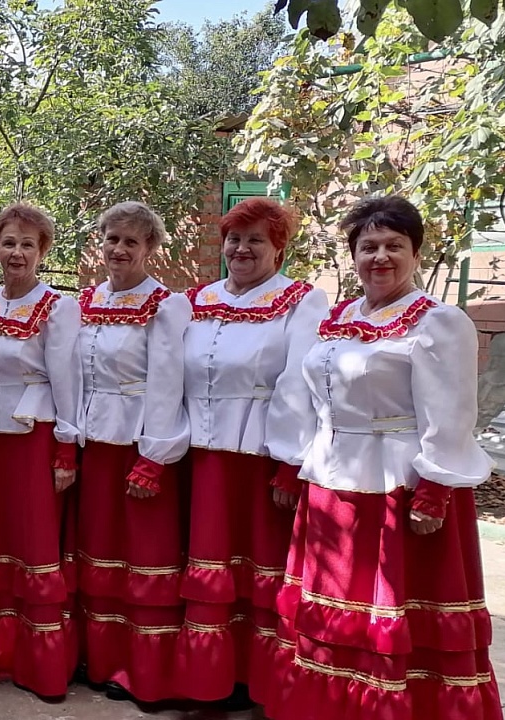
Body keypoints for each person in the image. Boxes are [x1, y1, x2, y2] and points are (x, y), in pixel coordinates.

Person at [265, 196, 501, 720]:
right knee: (333, 612)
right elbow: (311, 398)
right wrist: (293, 460)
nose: (380, 257)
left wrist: (435, 488)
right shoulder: (341, 317)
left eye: (394, 245)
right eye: (368, 246)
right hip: (331, 485)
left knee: (391, 612)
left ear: (416, 253)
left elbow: (452, 408)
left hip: (399, 488)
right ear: (353, 256)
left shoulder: (438, 322)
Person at [173, 198, 328, 709]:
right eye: (234, 239)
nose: (241, 249)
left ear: (278, 248)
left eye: (255, 240)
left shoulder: (301, 301)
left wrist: (288, 462)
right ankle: (208, 679)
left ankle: (258, 682)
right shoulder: (197, 299)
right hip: (200, 456)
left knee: (259, 569)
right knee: (206, 567)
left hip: (262, 456)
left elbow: (299, 382)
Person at [71, 200, 191, 704]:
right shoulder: (86, 301)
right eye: (112, 239)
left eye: (131, 242)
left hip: (140, 447)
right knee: (98, 550)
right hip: (95, 445)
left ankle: (143, 672)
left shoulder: (165, 305)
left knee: (143, 555)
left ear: (150, 249)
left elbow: (168, 382)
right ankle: (99, 659)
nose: (119, 249)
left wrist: (154, 456)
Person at [0, 203, 82, 702]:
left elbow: (67, 379)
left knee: (35, 541)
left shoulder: (57, 306)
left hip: (37, 437)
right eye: (9, 243)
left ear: (42, 252)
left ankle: (43, 666)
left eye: (27, 245)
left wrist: (66, 450)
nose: (17, 253)